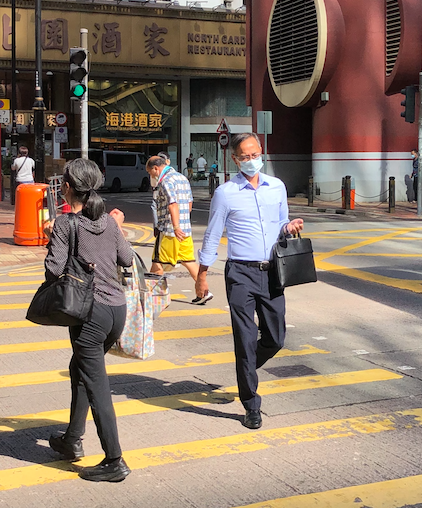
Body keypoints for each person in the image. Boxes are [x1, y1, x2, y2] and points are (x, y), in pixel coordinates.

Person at [196, 132, 304, 430]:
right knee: (245, 339)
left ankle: (246, 368)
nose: (252, 160)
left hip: (273, 272)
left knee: (275, 338)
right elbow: (212, 234)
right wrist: (202, 274)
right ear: (235, 159)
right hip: (240, 273)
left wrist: (290, 225)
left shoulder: (277, 187)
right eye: (245, 157)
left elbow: (282, 223)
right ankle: (251, 404)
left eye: (255, 154)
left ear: (261, 152)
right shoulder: (226, 193)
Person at [45, 158, 134, 483]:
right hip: (117, 311)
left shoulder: (67, 224)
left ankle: (114, 460)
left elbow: (54, 270)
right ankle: (71, 440)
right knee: (79, 369)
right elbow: (125, 257)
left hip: (88, 312)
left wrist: (54, 238)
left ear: (67, 188)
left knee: (97, 386)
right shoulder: (109, 223)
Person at [146, 156, 213, 304]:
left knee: (158, 262)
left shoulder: (166, 181)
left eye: (151, 173)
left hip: (170, 230)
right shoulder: (182, 178)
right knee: (188, 260)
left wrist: (175, 227)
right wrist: (182, 223)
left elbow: (172, 204)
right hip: (185, 229)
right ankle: (204, 292)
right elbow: (189, 204)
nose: (152, 176)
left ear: (156, 168)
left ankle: (153, 295)